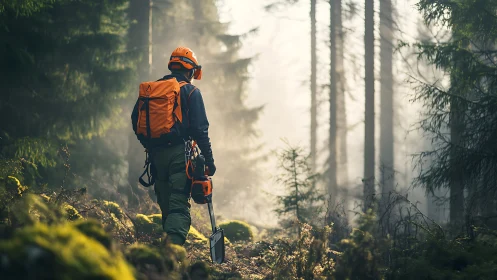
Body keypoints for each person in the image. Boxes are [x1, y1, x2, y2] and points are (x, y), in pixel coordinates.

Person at [131, 46, 216, 245]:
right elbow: (201, 130)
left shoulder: (152, 90)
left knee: (166, 205)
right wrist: (209, 161)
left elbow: (135, 120)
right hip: (180, 155)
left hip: (155, 156)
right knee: (178, 205)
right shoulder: (191, 91)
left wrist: (149, 144)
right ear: (191, 70)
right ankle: (172, 253)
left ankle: (165, 251)